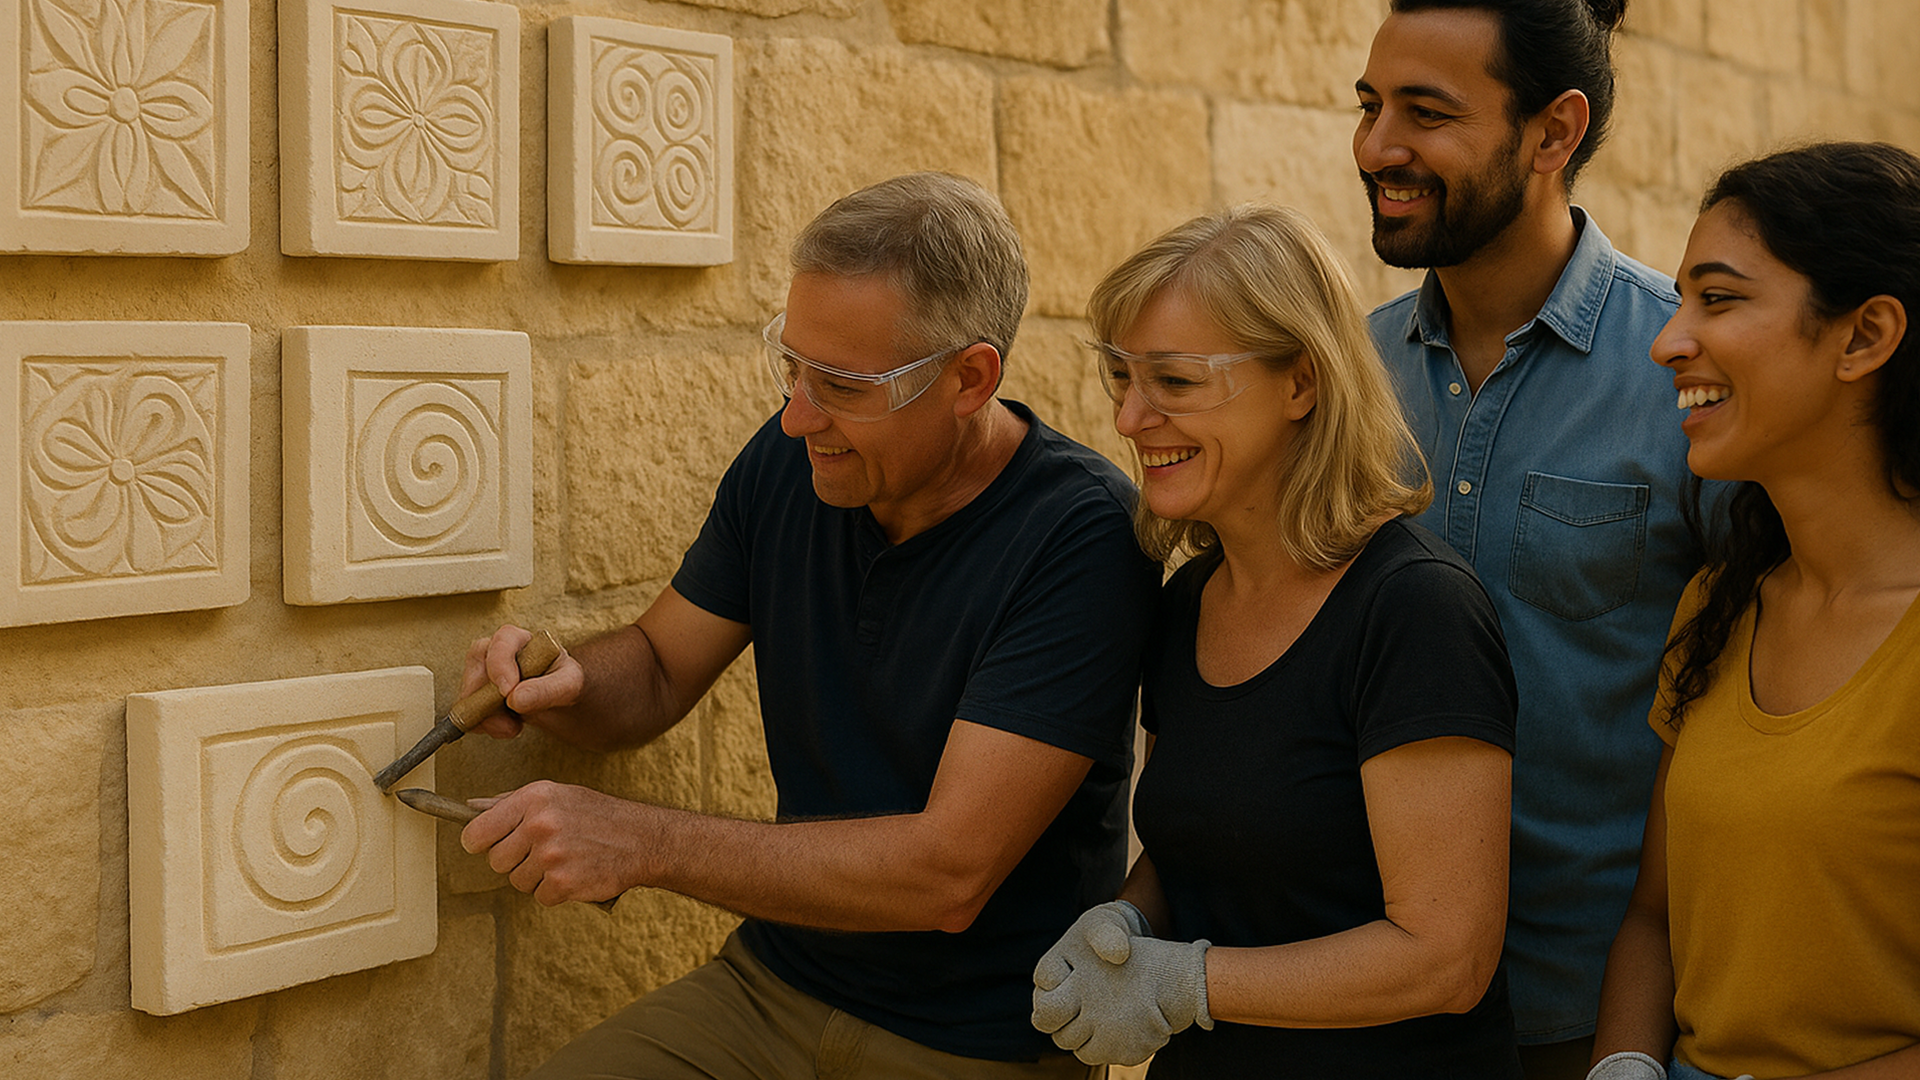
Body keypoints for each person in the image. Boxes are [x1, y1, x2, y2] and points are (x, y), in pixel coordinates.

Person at [456, 172, 1161, 1079]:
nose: (798, 414)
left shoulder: (1085, 536)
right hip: (770, 987)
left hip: (978, 1041)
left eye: (842, 384)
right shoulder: (795, 459)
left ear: (970, 377)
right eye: (790, 365)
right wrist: (570, 686)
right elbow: (662, 669)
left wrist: (641, 841)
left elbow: (945, 875)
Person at [1028, 204, 1522, 1077]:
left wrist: (1189, 983)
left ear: (1302, 382)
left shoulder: (1413, 612)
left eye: (1175, 383)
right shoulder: (1184, 604)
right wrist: (1130, 922)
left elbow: (1448, 958)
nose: (1130, 421)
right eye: (1121, 379)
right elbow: (1203, 848)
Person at [1353, 2, 1711, 1072]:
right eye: (1370, 107)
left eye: (1425, 112)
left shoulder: (1687, 378)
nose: (1378, 148)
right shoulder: (1344, 381)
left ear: (1554, 132)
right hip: (1363, 1004)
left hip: (1601, 1026)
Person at [1586, 141, 1920, 1080]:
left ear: (1864, 336)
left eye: (1720, 299)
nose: (1667, 340)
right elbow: (1655, 916)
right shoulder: (1719, 604)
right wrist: (1625, 1067)